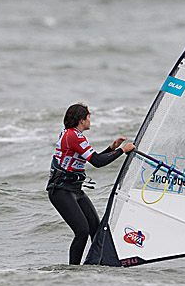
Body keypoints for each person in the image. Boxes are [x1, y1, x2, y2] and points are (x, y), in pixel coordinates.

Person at [48, 103, 135, 265]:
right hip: (61, 191)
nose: (90, 120)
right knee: (81, 231)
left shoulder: (74, 135)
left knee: (96, 229)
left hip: (75, 190)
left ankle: (98, 265)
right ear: (82, 120)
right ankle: (73, 271)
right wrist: (122, 151)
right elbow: (97, 162)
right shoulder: (73, 136)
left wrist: (112, 148)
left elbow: (94, 158)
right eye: (88, 117)